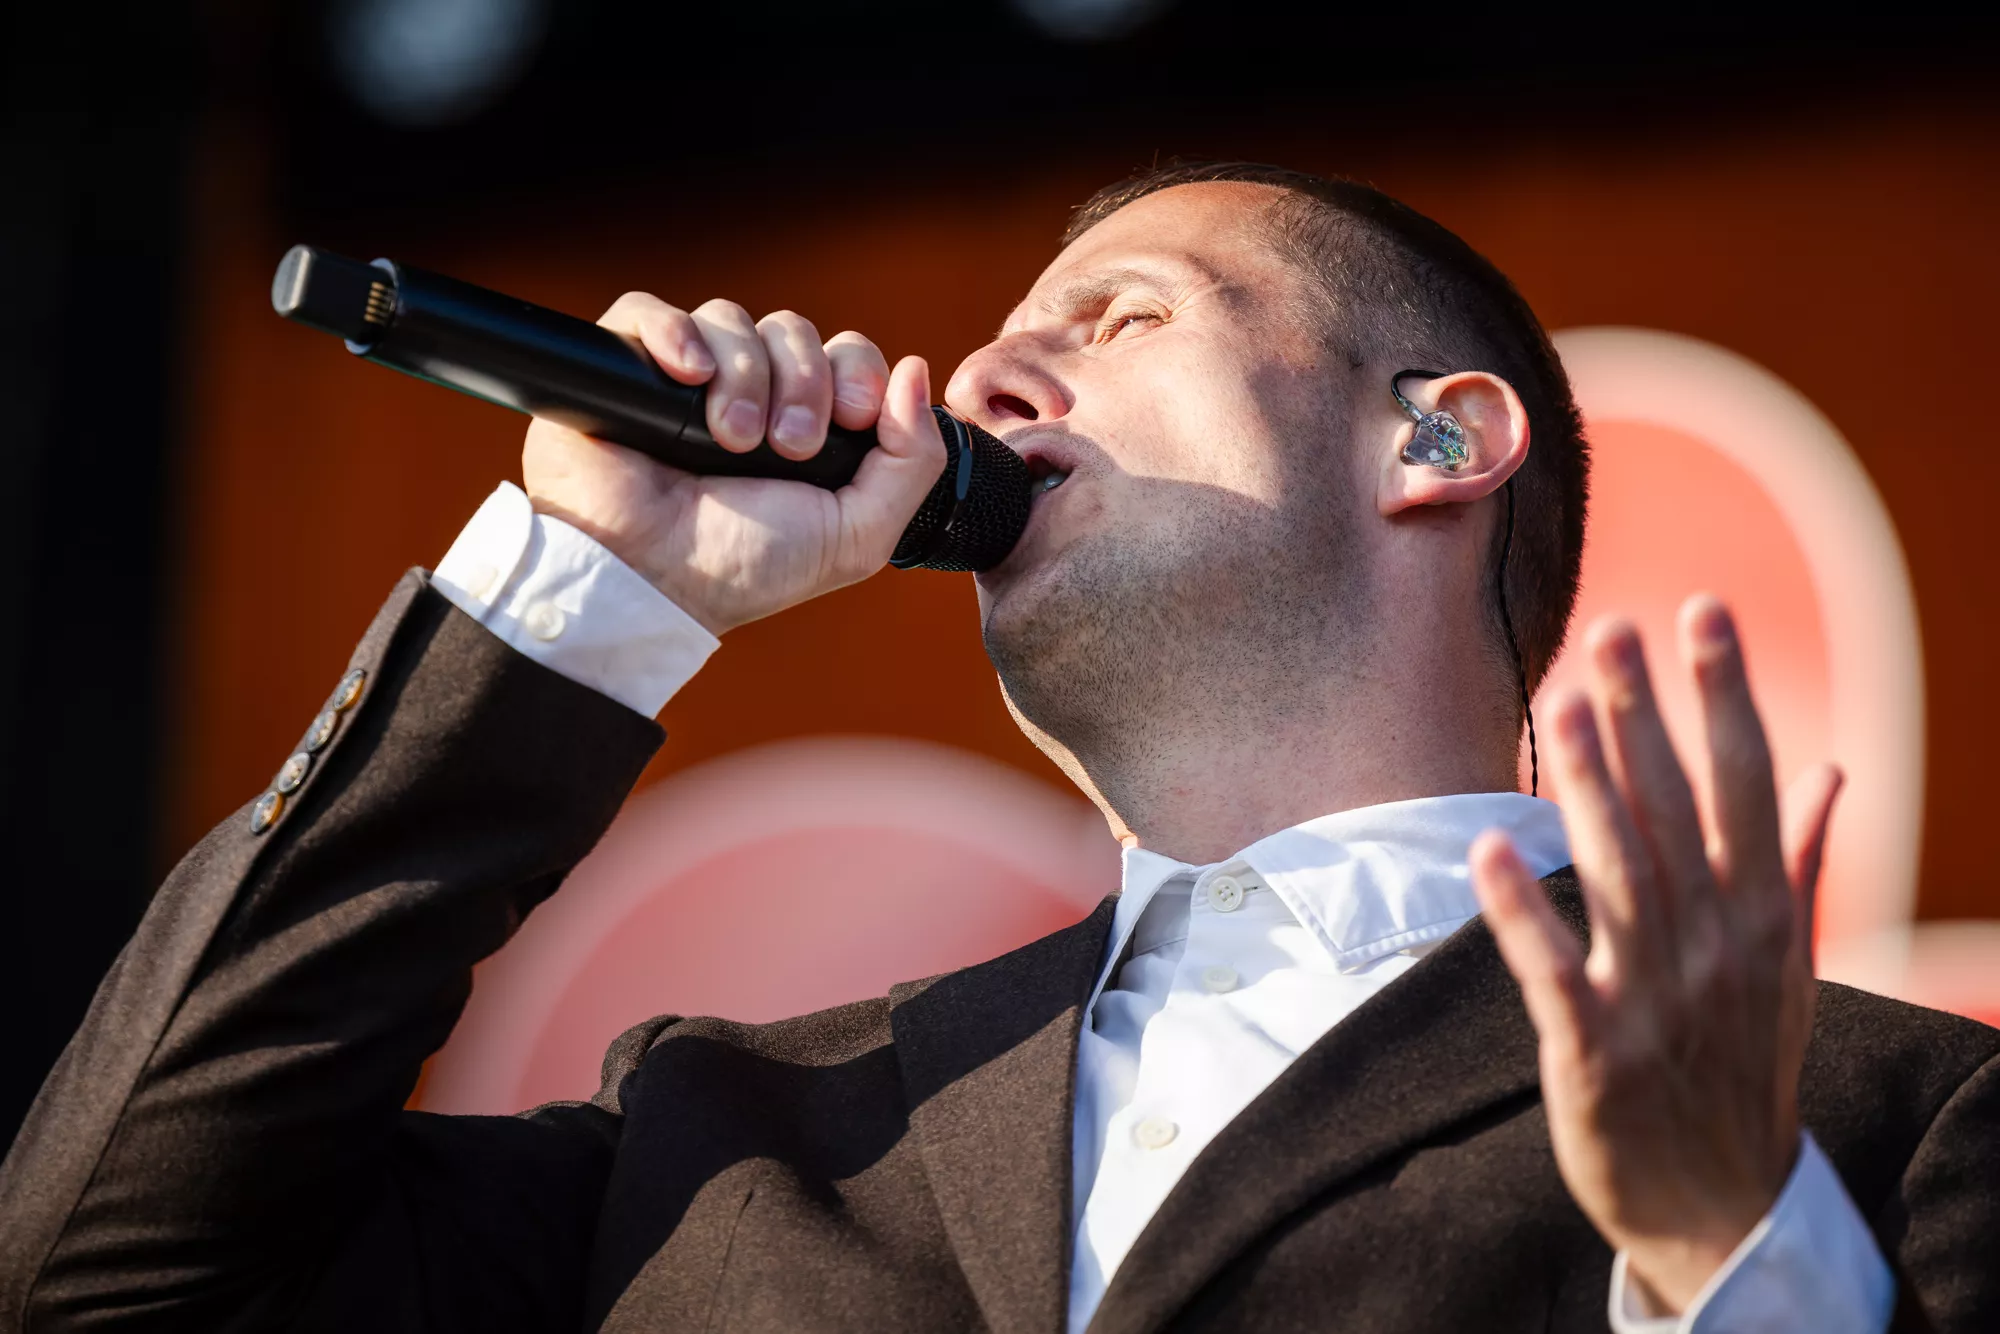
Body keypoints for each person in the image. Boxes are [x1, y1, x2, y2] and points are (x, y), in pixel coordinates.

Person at [1, 161, 1994, 1334]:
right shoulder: (726, 1130)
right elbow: (102, 1278)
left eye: (1121, 317)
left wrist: (1733, 1252)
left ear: (1436, 436)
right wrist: (587, 583)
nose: (978, 379)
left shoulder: (1887, 1120)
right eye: (996, 347)